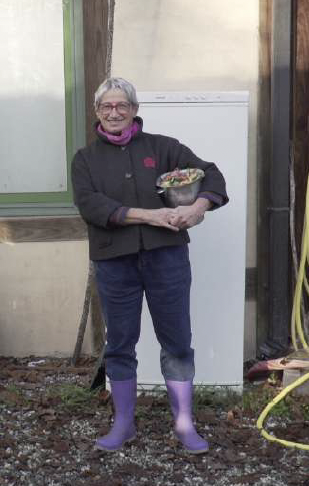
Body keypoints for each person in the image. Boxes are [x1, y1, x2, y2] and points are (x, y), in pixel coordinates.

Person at [71, 77, 229, 453]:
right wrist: (149, 215)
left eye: (122, 106)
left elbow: (212, 174)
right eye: (107, 106)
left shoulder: (164, 148)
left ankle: (184, 422)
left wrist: (198, 206)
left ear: (134, 110)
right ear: (97, 112)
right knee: (120, 343)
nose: (114, 113)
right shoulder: (85, 160)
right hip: (115, 262)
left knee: (176, 341)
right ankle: (124, 423)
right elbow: (91, 206)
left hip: (167, 258)